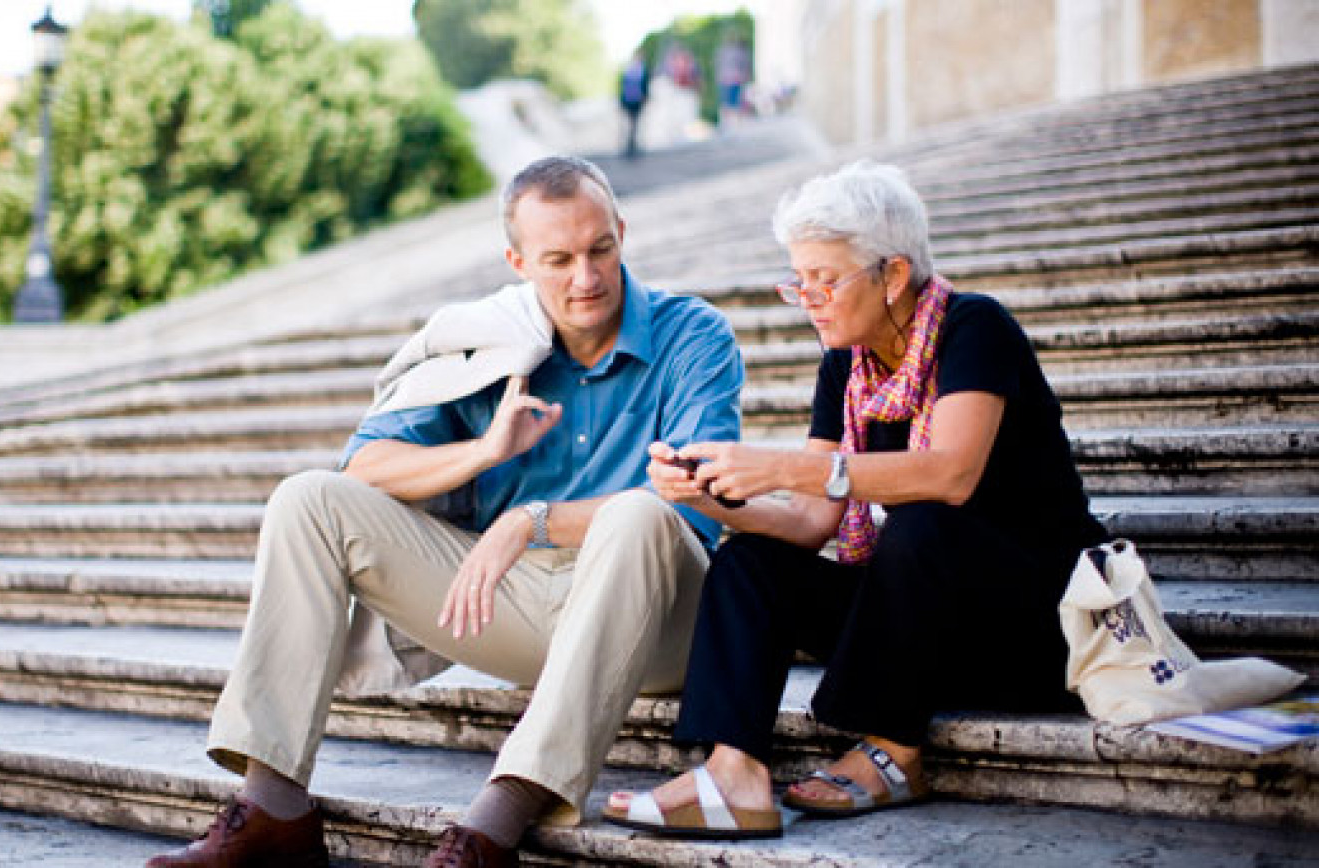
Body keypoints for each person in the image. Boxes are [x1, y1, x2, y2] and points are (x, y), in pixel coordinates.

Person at [144, 155, 745, 868]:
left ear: (621, 231)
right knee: (308, 499)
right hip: (514, 605)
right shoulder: (487, 342)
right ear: (517, 260)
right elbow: (366, 467)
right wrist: (485, 451)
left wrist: (532, 519)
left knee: (640, 515)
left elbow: (694, 507)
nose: (585, 279)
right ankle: (274, 808)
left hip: (656, 619)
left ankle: (497, 821)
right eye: (558, 260)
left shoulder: (693, 335)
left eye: (600, 250)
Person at [602, 161, 1108, 837]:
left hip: (1036, 627)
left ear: (893, 275)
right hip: (924, 625)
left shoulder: (974, 328)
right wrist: (714, 496)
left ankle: (895, 753)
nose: (808, 296)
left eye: (825, 278)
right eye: (799, 280)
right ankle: (735, 772)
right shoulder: (846, 362)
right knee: (752, 561)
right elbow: (812, 522)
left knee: (924, 521)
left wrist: (784, 464)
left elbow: (949, 473)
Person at [619, 51, 649, 158]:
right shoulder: (641, 70)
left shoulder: (629, 70)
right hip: (634, 102)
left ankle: (631, 147)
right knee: (633, 125)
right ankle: (631, 147)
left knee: (632, 125)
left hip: (631, 101)